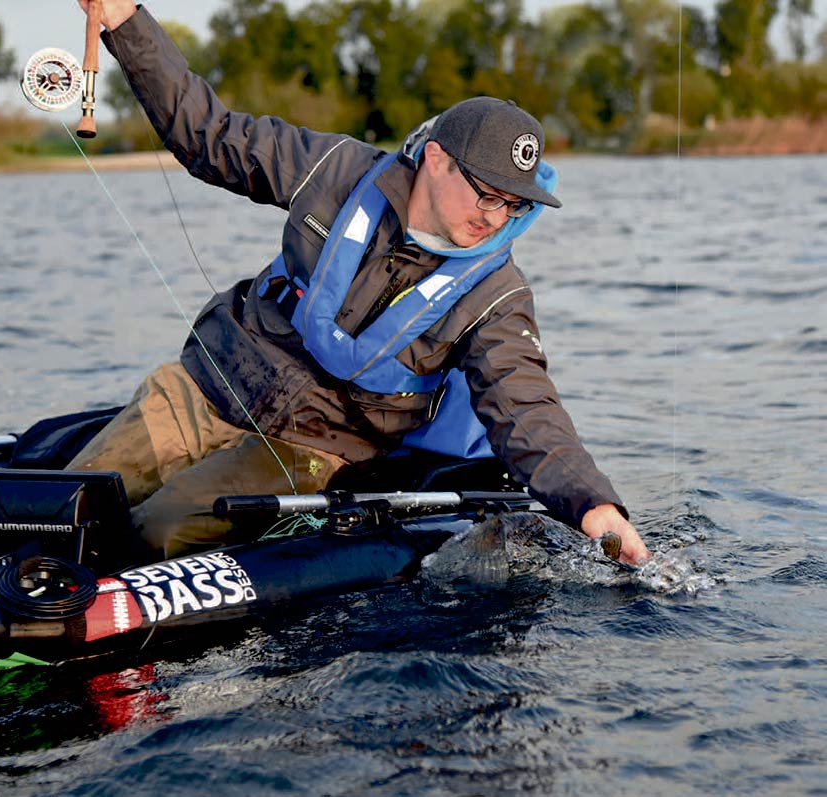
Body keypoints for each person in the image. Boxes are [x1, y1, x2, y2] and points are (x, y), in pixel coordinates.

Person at [70, 0, 651, 565]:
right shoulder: (333, 171)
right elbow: (209, 134)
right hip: (207, 384)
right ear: (436, 159)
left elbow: (526, 407)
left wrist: (594, 504)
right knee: (70, 505)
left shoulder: (497, 296)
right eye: (487, 194)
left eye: (514, 204)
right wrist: (125, 21)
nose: (496, 219)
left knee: (156, 534)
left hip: (316, 445)